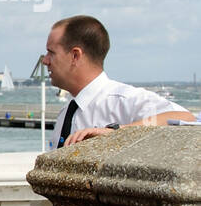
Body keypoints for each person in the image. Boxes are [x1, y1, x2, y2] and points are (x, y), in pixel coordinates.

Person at [43, 15, 192, 148]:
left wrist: (115, 133)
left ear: (75, 56)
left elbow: (186, 119)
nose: (45, 60)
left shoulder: (123, 101)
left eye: (51, 52)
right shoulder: (67, 112)